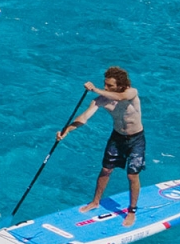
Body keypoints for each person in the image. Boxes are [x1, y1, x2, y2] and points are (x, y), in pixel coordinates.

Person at [56, 66, 145, 227]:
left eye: (109, 86)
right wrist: (66, 130)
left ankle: (131, 211)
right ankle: (95, 202)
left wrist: (95, 89)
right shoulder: (101, 100)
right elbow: (84, 117)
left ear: (120, 85)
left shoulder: (131, 92)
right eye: (105, 84)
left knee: (132, 175)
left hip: (136, 139)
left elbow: (121, 96)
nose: (105, 88)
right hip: (117, 137)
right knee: (106, 170)